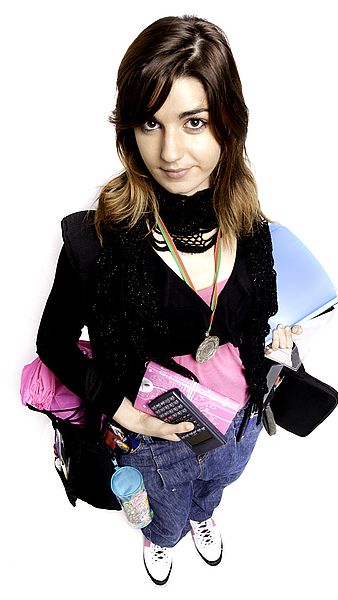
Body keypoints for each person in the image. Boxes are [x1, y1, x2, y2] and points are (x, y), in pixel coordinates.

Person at [36, 14, 302, 586]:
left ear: (228, 124)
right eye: (150, 124)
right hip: (156, 433)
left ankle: (203, 514)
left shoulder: (252, 224)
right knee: (164, 514)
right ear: (128, 129)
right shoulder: (96, 242)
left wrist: (275, 341)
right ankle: (162, 537)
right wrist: (121, 410)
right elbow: (52, 343)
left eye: (194, 121)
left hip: (240, 420)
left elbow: (258, 312)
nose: (171, 151)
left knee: (215, 488)